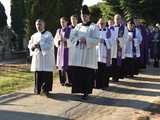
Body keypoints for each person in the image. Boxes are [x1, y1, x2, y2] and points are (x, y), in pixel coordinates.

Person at [68, 5, 99, 100]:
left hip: (88, 54)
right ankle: (79, 90)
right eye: (82, 16)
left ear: (89, 16)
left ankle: (86, 92)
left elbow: (96, 40)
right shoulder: (78, 26)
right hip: (79, 53)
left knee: (87, 74)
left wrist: (86, 40)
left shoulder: (94, 27)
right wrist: (78, 40)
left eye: (85, 16)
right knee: (79, 73)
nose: (83, 17)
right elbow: (72, 37)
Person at [28, 19, 55, 96]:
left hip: (46, 58)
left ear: (44, 25)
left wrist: (40, 46)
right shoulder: (34, 35)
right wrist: (32, 46)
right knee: (38, 73)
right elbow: (30, 44)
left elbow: (50, 45)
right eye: (37, 24)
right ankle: (37, 89)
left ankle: (46, 90)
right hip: (38, 58)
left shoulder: (48, 34)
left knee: (46, 73)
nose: (38, 26)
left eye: (40, 24)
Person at [95, 18, 112, 89]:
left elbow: (112, 41)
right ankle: (97, 84)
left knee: (105, 70)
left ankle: (104, 84)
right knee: (97, 70)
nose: (101, 25)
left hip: (105, 52)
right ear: (98, 24)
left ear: (105, 24)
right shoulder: (95, 31)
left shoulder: (108, 31)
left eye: (103, 23)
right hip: (97, 53)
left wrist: (105, 41)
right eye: (100, 23)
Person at [54, 17, 71, 86]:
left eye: (63, 22)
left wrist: (65, 40)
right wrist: (58, 41)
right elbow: (55, 39)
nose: (62, 23)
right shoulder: (58, 30)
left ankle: (69, 81)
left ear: (67, 22)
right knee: (60, 65)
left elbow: (72, 40)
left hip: (67, 49)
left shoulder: (70, 30)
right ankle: (62, 81)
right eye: (61, 22)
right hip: (60, 49)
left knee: (67, 65)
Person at [111, 14, 128, 82]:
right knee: (113, 63)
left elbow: (126, 38)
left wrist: (120, 40)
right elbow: (108, 37)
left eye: (119, 19)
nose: (117, 20)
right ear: (114, 19)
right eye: (116, 19)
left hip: (119, 48)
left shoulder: (124, 28)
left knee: (118, 63)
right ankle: (113, 76)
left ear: (121, 20)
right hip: (112, 48)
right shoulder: (110, 28)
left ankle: (117, 77)